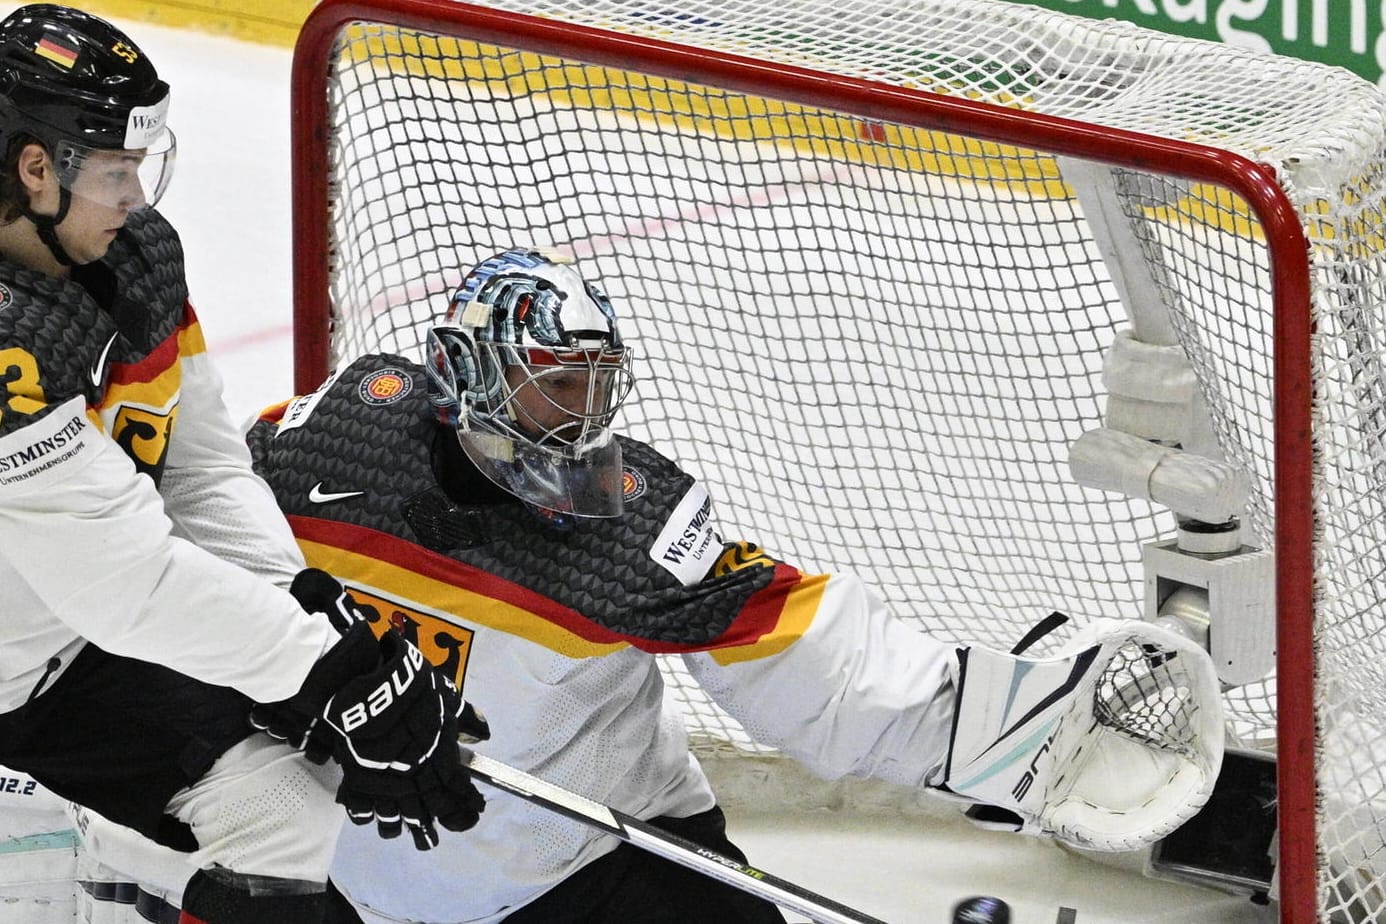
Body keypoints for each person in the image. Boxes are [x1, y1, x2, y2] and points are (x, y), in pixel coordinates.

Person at [245, 247, 1226, 924]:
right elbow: (198, 536)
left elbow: (803, 654)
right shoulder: (335, 437)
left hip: (604, 867)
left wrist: (1007, 735)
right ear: (462, 375)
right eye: (553, 385)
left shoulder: (622, 517)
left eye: (595, 387)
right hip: (372, 873)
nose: (580, 422)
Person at [0, 6, 485, 923]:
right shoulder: (4, 346)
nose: (137, 198)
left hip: (71, 649)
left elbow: (202, 467)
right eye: (116, 171)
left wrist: (296, 599)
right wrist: (323, 671)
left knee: (283, 807)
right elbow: (125, 582)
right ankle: (78, 847)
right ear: (36, 170)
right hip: (26, 673)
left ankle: (128, 864)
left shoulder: (131, 259)